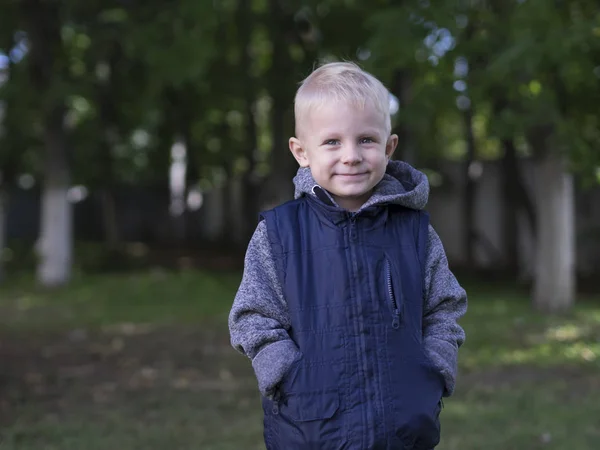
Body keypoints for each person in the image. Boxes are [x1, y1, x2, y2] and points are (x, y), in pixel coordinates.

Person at [228, 61, 467, 450]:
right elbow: (253, 315)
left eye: (367, 140)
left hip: (403, 428)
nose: (351, 155)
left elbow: (444, 307)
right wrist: (287, 374)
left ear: (389, 147)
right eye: (332, 142)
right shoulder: (278, 234)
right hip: (310, 427)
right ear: (301, 151)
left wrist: (434, 370)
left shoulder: (415, 231)